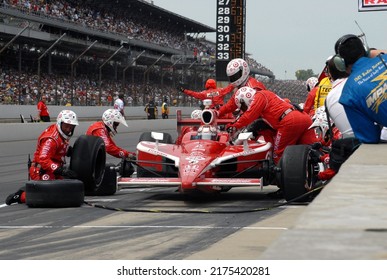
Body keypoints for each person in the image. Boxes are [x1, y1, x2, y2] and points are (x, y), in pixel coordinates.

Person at [226, 86, 318, 165]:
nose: (244, 109)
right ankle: (322, 165)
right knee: (312, 150)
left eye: (243, 106)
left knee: (278, 156)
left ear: (246, 98)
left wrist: (234, 125)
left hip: (289, 121)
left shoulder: (259, 96)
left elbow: (248, 117)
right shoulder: (267, 97)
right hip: (304, 118)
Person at [5, 110, 79, 205]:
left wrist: (69, 151)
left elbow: (58, 149)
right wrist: (62, 171)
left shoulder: (60, 134)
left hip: (53, 169)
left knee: (66, 190)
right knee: (50, 195)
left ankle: (32, 187)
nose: (69, 129)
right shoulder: (51, 139)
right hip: (40, 170)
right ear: (60, 123)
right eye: (66, 126)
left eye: (71, 127)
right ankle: (21, 195)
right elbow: (43, 159)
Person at [335, 34, 387, 143]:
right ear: (366, 50)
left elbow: (369, 137)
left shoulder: (348, 94)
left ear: (341, 63)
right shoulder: (384, 58)